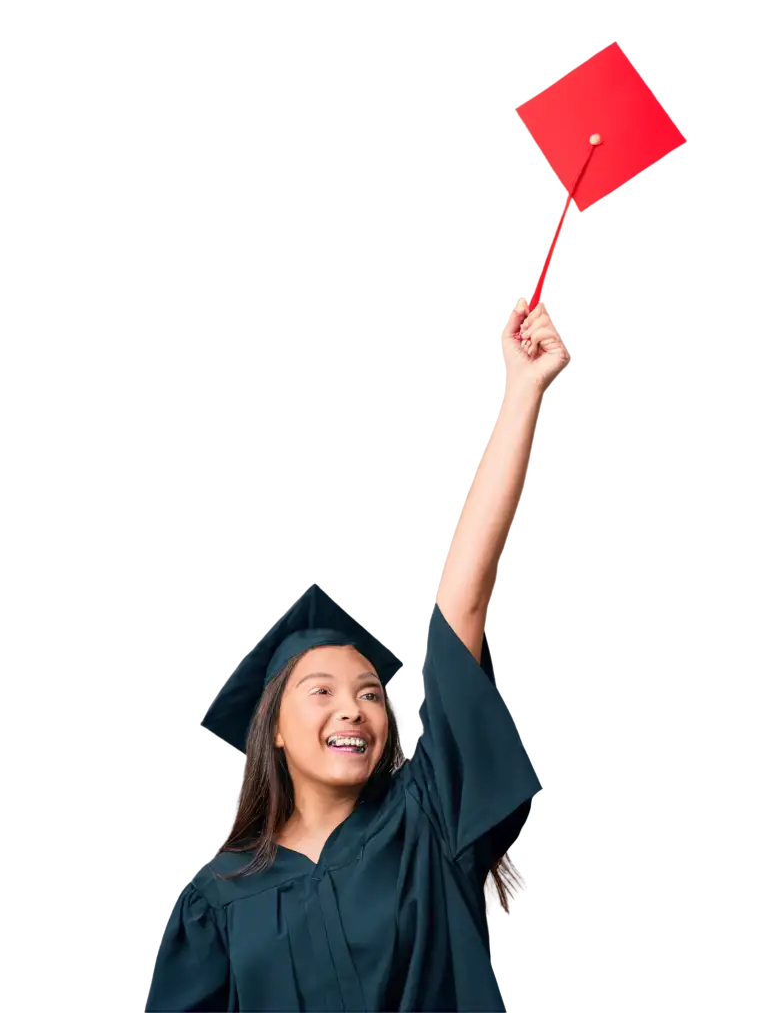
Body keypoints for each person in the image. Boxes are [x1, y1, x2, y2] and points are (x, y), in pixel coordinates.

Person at [144, 298, 568, 1012]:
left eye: (371, 692)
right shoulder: (216, 902)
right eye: (322, 690)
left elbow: (459, 603)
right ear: (273, 726)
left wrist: (521, 389)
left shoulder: (428, 823)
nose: (355, 708)